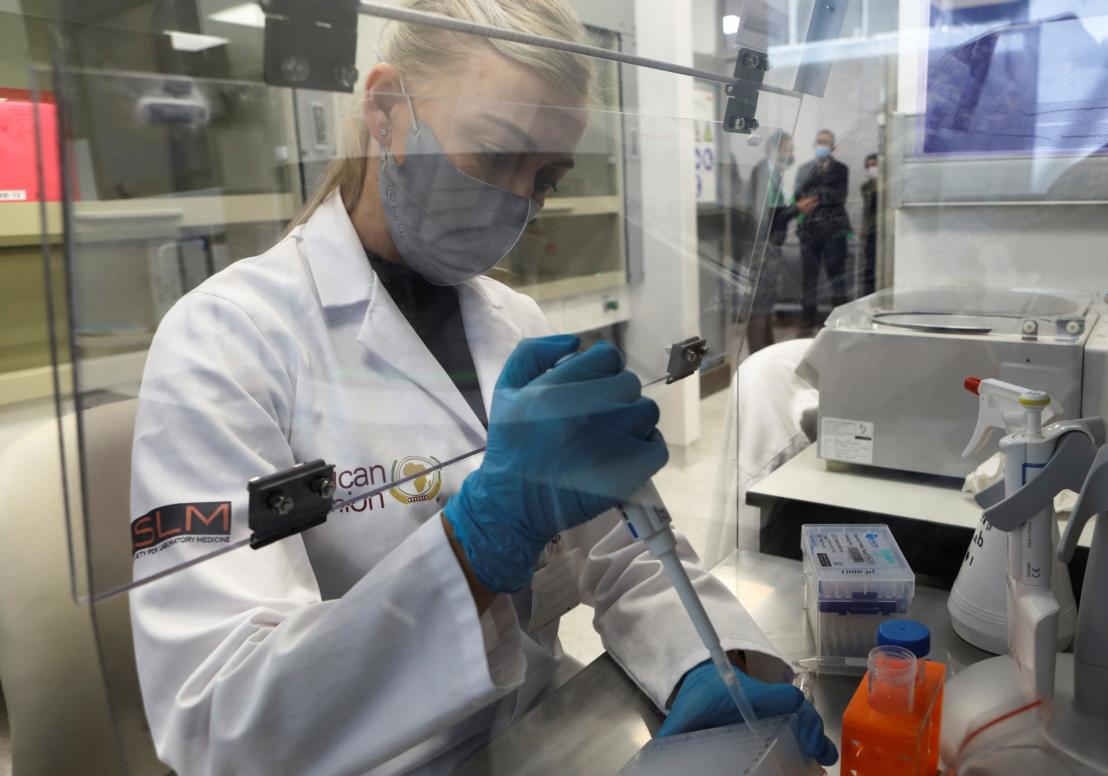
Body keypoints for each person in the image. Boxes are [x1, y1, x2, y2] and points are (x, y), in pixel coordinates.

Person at [125, 2, 836, 774]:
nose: (518, 203)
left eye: (546, 177)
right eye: (495, 155)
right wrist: (478, 542)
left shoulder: (514, 322)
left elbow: (633, 554)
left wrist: (709, 664)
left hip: (536, 733)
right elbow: (219, 723)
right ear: (387, 111)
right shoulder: (226, 342)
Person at [743, 130, 817, 353]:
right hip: (761, 246)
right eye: (786, 150)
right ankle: (757, 355)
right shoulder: (763, 174)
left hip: (771, 245)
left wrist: (795, 207)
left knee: (765, 303)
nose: (790, 154)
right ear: (771, 150)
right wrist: (798, 208)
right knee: (758, 305)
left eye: (791, 150)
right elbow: (766, 216)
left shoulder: (774, 174)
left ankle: (766, 350)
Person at [793, 129, 851, 332]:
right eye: (819, 142)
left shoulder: (841, 169)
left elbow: (838, 196)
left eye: (825, 143)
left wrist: (813, 197)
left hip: (834, 231)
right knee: (809, 278)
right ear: (813, 144)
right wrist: (816, 196)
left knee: (838, 277)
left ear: (833, 146)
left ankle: (840, 321)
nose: (822, 146)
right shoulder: (803, 169)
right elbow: (798, 197)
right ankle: (807, 320)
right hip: (809, 231)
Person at [859, 152, 879, 298]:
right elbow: (866, 211)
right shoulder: (865, 187)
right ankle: (869, 297)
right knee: (869, 267)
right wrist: (863, 229)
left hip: (885, 231)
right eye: (869, 166)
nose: (872, 168)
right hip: (871, 231)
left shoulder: (887, 186)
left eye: (875, 165)